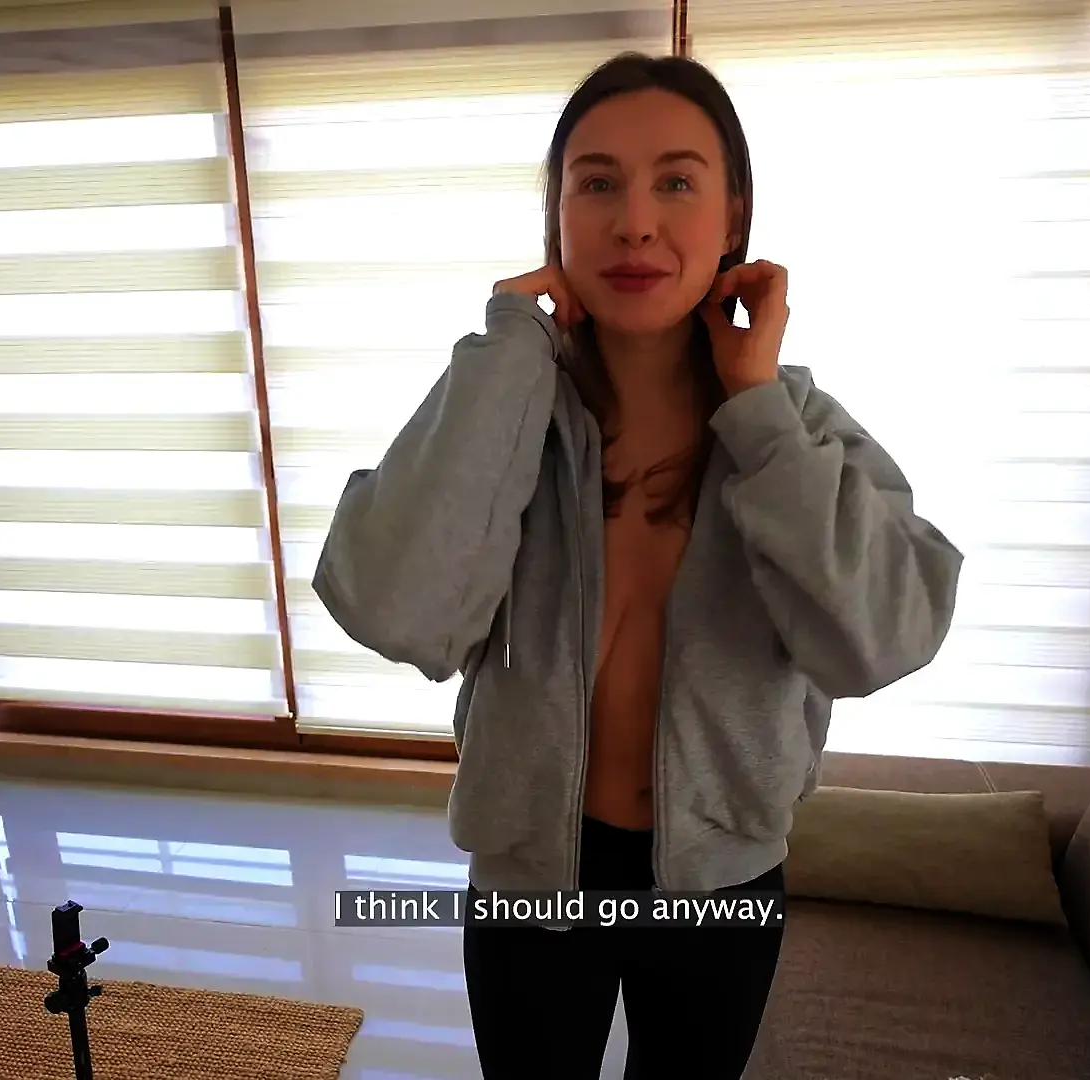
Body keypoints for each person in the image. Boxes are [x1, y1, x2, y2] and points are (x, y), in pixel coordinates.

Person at [313, 52, 964, 1079]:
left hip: (722, 887)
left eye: (676, 182)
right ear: (559, 215)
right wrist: (508, 351)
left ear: (733, 216)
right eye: (598, 183)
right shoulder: (507, 411)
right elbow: (395, 609)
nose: (635, 223)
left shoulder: (793, 428)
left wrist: (757, 412)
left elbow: (881, 638)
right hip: (531, 884)